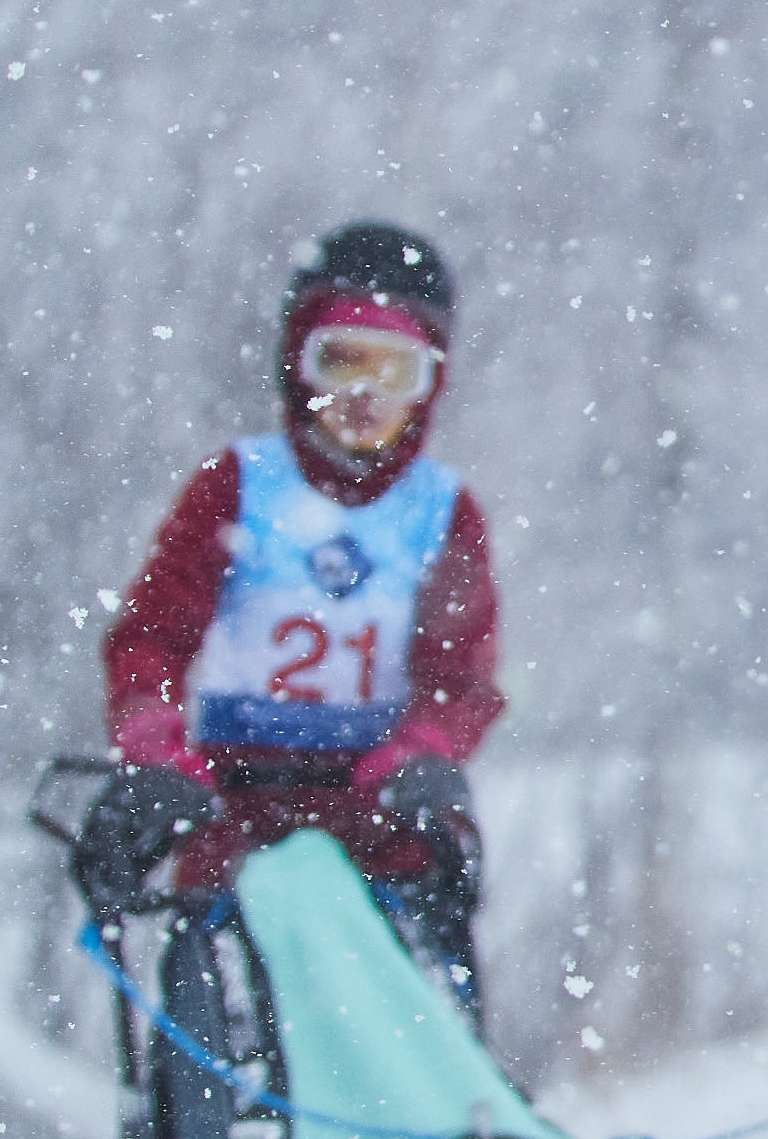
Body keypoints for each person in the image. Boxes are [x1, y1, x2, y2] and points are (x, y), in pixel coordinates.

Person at [78, 219, 504, 1007]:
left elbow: (460, 679)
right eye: (342, 362)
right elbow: (152, 640)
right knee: (215, 1016)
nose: (365, 396)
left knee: (418, 1023)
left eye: (394, 370)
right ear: (298, 366)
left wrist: (421, 755)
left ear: (429, 385)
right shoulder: (238, 488)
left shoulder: (443, 516)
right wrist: (159, 754)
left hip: (383, 833)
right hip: (237, 819)